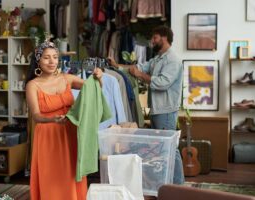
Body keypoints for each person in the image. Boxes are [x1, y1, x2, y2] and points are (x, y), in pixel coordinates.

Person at [26, 40, 103, 200]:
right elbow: (36, 115)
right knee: (52, 176)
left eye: (55, 57)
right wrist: (52, 119)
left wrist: (98, 77)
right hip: (48, 136)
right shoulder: (32, 85)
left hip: (70, 133)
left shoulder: (66, 78)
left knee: (70, 173)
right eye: (46, 57)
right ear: (38, 60)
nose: (52, 61)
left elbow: (94, 88)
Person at [108, 25, 185, 184]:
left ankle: (179, 184)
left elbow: (163, 83)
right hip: (158, 110)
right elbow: (138, 68)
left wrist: (141, 75)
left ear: (164, 38)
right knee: (163, 147)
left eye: (155, 38)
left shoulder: (173, 60)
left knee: (169, 147)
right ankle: (169, 183)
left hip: (166, 110)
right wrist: (117, 66)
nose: (152, 41)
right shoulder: (158, 58)